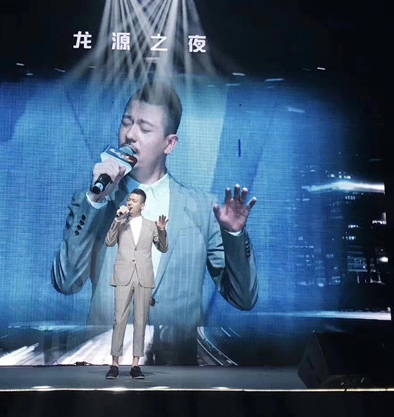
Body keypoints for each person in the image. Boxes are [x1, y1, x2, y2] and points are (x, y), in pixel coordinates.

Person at [52, 81, 258, 364]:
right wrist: (96, 201)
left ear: (169, 143)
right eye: (127, 122)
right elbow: (66, 282)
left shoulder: (202, 209)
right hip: (105, 367)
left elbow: (243, 298)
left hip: (179, 372)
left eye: (145, 128)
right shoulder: (93, 203)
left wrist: (234, 235)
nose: (130, 135)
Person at [104, 189, 168, 379]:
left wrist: (162, 230)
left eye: (134, 200)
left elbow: (163, 248)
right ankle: (114, 364)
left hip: (143, 276)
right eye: (129, 200)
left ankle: (135, 365)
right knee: (119, 319)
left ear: (143, 205)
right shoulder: (121, 223)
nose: (130, 202)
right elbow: (109, 242)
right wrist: (117, 219)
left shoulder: (151, 225)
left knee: (140, 320)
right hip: (123, 275)